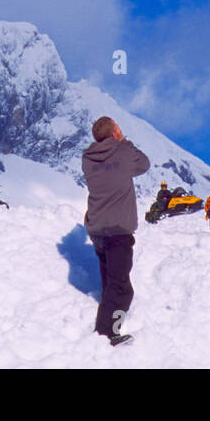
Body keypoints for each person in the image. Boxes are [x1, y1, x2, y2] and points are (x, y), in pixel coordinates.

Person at [82, 116, 149, 347]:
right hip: (118, 230)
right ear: (114, 134)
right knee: (121, 288)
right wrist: (124, 142)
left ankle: (105, 330)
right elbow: (144, 164)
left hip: (97, 229)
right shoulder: (123, 152)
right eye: (119, 129)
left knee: (110, 282)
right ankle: (107, 333)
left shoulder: (87, 158)